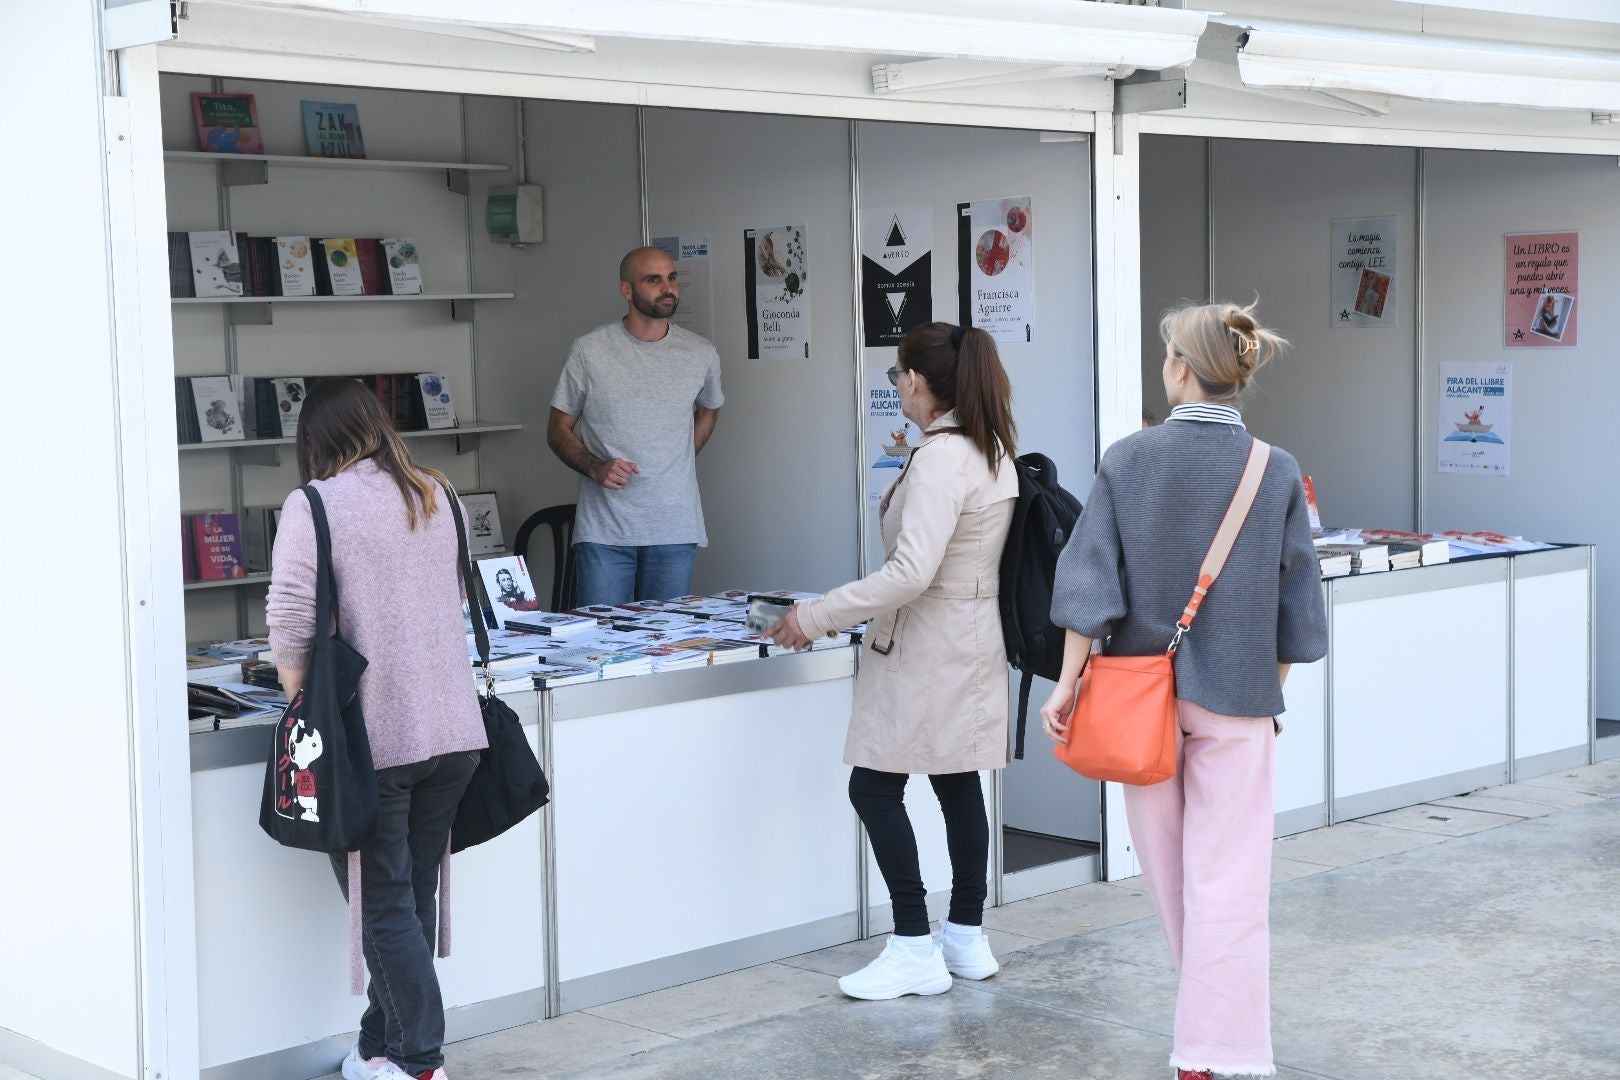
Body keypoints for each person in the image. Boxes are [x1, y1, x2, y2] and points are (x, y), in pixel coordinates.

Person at [1041, 301, 1328, 1080]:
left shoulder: (1128, 459)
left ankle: (1207, 1045)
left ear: (1179, 369)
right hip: (1237, 698)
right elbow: (1299, 599)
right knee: (1229, 875)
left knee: (1170, 876)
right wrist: (1268, 689)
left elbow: (1089, 581)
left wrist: (1067, 687)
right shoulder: (1273, 467)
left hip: (1140, 700)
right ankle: (1219, 1047)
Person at [769, 322, 1018, 1001]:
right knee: (956, 782)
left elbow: (910, 573)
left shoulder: (942, 458)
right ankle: (965, 935)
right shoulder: (990, 447)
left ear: (915, 380)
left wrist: (816, 615)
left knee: (874, 787)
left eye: (897, 375)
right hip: (968, 639)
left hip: (929, 645)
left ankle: (914, 942)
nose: (897, 387)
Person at [267, 378, 488, 1080]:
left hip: (374, 738)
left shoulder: (315, 503)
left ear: (316, 442)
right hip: (453, 730)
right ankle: (378, 1048)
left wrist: (304, 704)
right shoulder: (437, 492)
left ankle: (420, 1063)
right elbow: (449, 596)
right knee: (407, 894)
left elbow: (292, 619)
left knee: (383, 905)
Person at [547, 246, 724, 605]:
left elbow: (710, 407)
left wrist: (684, 453)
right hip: (605, 533)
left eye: (672, 278)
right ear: (627, 291)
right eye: (653, 280)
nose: (668, 288)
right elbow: (557, 429)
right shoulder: (589, 351)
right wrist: (596, 467)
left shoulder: (700, 353)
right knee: (603, 645)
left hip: (674, 528)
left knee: (667, 649)